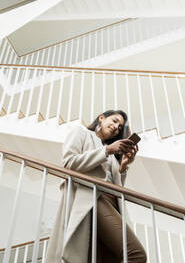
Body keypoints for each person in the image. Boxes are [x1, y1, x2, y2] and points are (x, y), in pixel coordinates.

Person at [46, 110, 147, 263]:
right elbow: (68, 163)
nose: (116, 127)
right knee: (135, 254)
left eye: (119, 127)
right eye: (114, 121)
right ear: (101, 118)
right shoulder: (81, 133)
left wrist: (123, 167)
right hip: (93, 199)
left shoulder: (112, 155)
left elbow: (116, 187)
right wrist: (107, 150)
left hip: (112, 204)